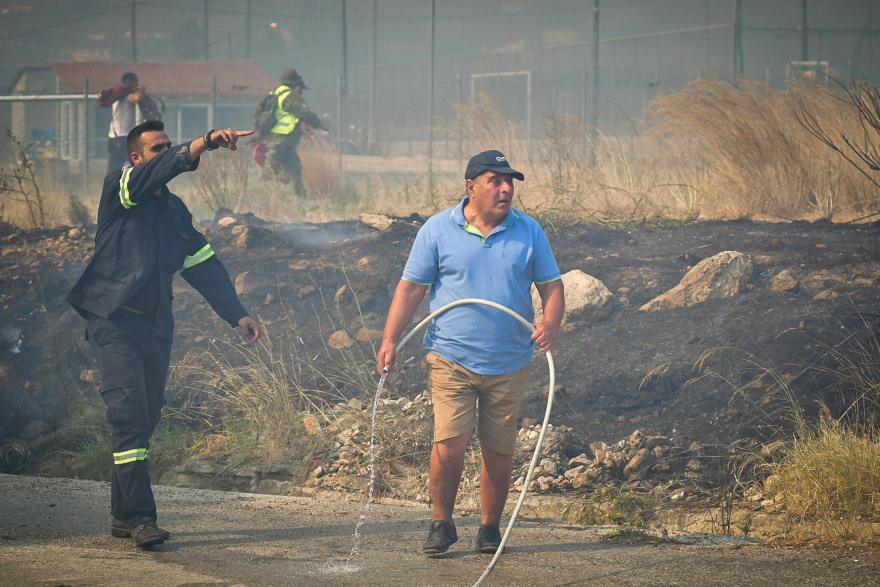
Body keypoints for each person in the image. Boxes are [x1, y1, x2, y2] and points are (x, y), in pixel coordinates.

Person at [67, 120, 261, 548]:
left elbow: (204, 265)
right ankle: (141, 519)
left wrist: (237, 314)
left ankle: (121, 515)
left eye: (169, 147)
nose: (168, 154)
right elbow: (162, 170)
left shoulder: (175, 213)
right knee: (129, 417)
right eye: (158, 149)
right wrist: (205, 142)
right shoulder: (119, 190)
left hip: (155, 328)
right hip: (114, 322)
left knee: (147, 417)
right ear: (136, 159)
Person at [376, 150, 565, 556]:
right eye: (496, 181)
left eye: (509, 181)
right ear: (471, 187)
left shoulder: (528, 231)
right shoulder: (437, 229)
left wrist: (550, 323)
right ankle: (441, 524)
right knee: (450, 442)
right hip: (451, 358)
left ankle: (489, 529)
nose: (506, 189)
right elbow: (410, 288)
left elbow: (552, 286)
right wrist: (391, 338)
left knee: (499, 449)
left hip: (511, 361)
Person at [259, 68, 328, 195]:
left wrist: (306, 133)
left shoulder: (275, 94)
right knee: (271, 172)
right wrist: (320, 124)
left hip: (275, 141)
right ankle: (260, 197)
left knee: (293, 169)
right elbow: (304, 115)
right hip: (282, 142)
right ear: (296, 85)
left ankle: (297, 197)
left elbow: (289, 119)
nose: (302, 92)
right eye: (301, 88)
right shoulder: (292, 97)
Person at [98, 72, 144, 174]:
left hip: (113, 137)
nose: (137, 82)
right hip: (122, 137)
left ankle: (111, 187)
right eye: (135, 80)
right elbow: (137, 98)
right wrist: (141, 89)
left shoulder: (117, 96)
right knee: (138, 163)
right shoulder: (126, 96)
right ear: (129, 82)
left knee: (113, 169)